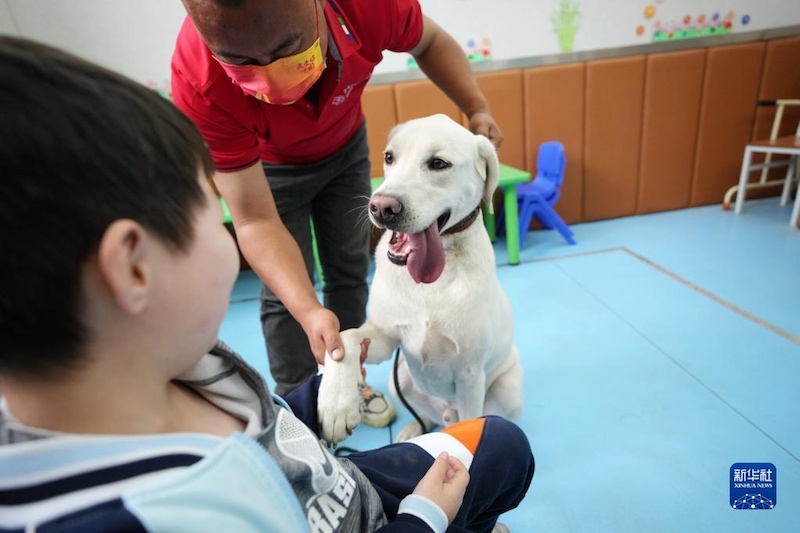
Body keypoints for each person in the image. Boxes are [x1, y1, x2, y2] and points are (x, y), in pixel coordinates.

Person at [0, 37, 533, 532]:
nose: (244, 226)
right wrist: (423, 517)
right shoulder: (161, 513)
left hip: (324, 469)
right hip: (361, 516)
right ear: (134, 267)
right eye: (217, 212)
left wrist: (334, 378)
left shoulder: (190, 363)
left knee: (504, 440)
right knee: (493, 462)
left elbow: (267, 421)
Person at [170, 0, 506, 414]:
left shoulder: (367, 7)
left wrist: (477, 107)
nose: (271, 79)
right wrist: (310, 312)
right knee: (285, 295)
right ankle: (298, 403)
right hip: (266, 167)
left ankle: (352, 386)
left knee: (349, 268)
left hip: (344, 147)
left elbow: (430, 40)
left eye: (289, 48)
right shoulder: (197, 81)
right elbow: (254, 219)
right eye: (239, 61)